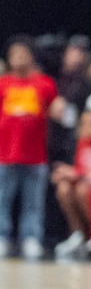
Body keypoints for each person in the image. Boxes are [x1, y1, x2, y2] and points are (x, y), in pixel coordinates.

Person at [0, 37, 57, 260]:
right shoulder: (3, 84)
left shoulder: (44, 84)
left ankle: (31, 238)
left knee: (33, 203)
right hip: (5, 154)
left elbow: (56, 111)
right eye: (15, 54)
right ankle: (2, 237)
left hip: (35, 156)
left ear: (31, 56)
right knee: (2, 200)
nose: (20, 58)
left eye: (24, 54)